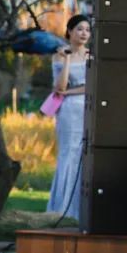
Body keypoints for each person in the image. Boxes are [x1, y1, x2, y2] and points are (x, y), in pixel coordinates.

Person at [46, 14, 90, 221]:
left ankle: (81, 209)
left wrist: (71, 92)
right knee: (68, 154)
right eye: (79, 29)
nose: (84, 33)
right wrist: (68, 59)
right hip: (68, 111)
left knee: (83, 154)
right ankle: (62, 207)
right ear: (70, 31)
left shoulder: (92, 56)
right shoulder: (59, 56)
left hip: (87, 109)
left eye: (87, 30)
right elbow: (60, 87)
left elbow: (91, 86)